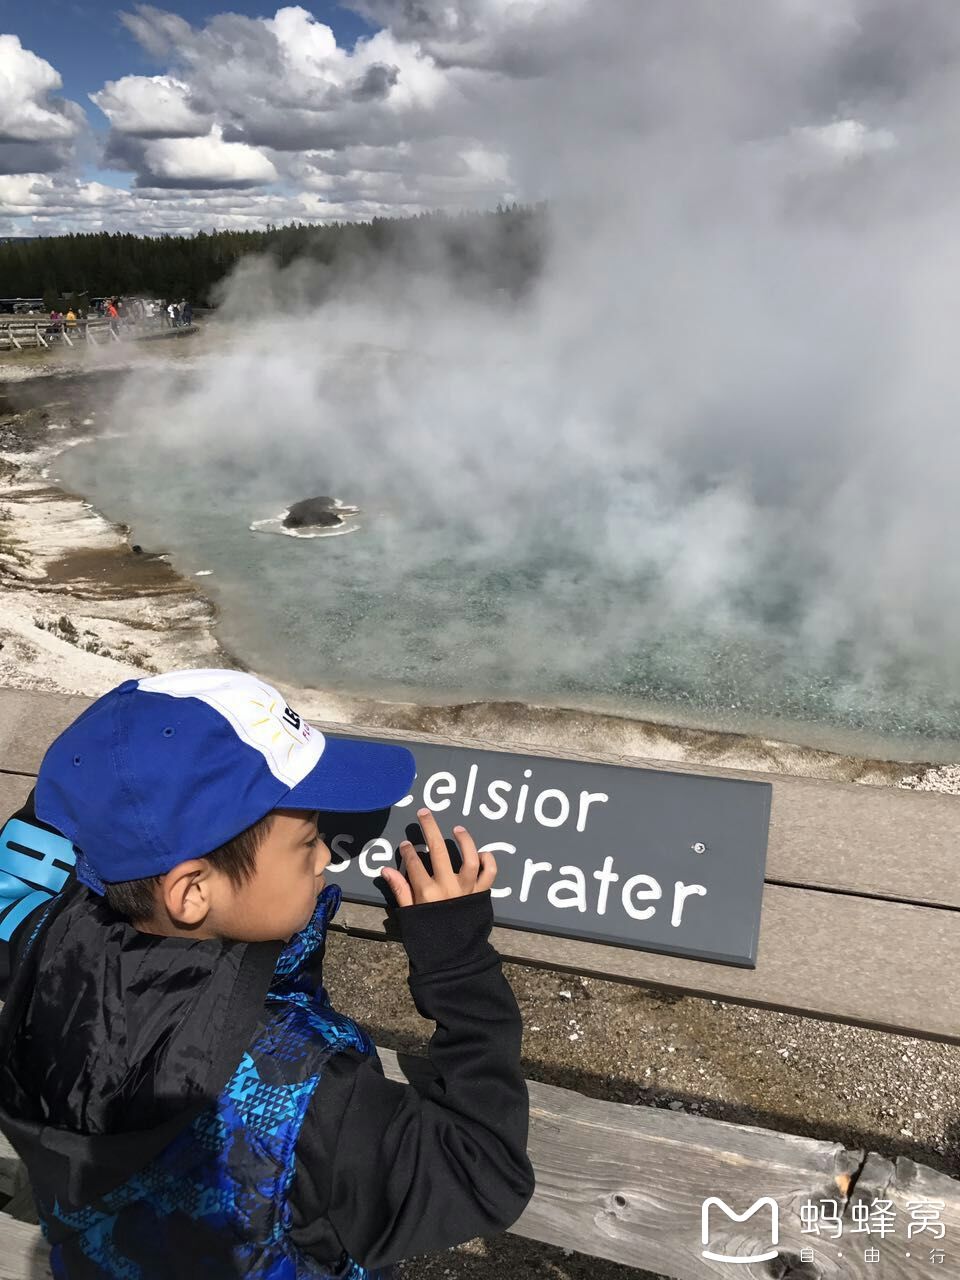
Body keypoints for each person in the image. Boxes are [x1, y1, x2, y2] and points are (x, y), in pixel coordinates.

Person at [0, 668, 534, 1278]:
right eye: (307, 840)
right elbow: (484, 1170)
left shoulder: (51, 956)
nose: (328, 854)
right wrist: (456, 956)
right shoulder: (305, 1100)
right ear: (191, 892)